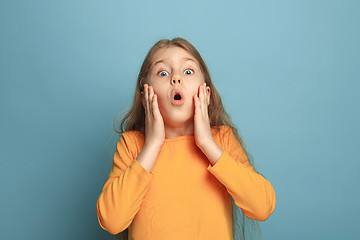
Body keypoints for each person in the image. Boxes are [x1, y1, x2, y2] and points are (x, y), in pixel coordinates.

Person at [96, 37, 276, 240]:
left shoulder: (223, 140)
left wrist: (207, 144)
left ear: (206, 94)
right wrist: (153, 145)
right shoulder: (132, 145)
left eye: (188, 71)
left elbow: (262, 207)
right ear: (145, 97)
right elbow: (112, 221)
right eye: (163, 72)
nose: (176, 78)